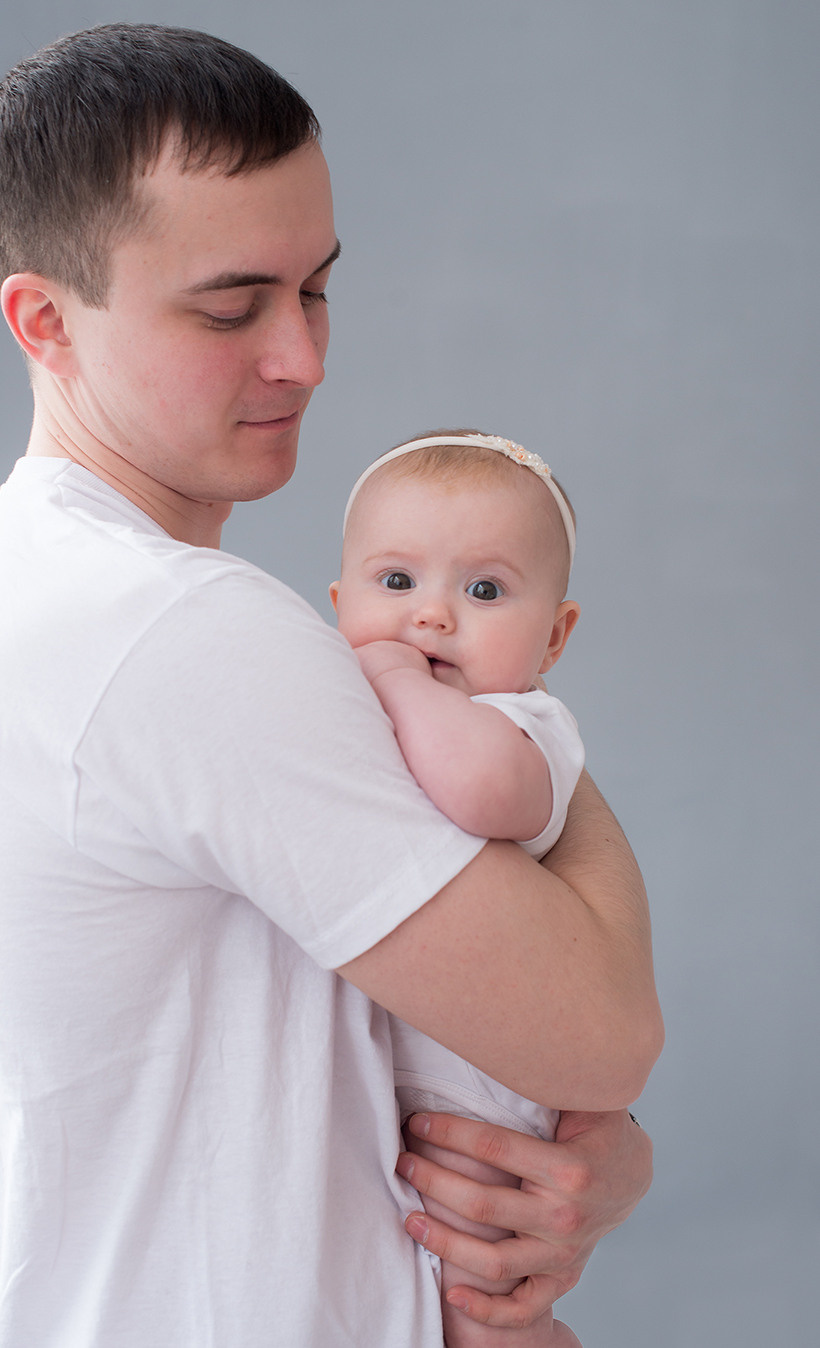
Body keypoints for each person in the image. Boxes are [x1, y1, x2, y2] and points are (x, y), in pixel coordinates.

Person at [0, 23, 662, 1348]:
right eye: (231, 306)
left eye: (316, 289)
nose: (306, 359)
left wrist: (583, 1168)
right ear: (45, 321)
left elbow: (443, 1062)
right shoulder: (167, 634)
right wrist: (535, 740)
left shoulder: (47, 597)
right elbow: (601, 1034)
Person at [331, 430, 591, 1346]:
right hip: (392, 1108)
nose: (431, 617)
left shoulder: (525, 729)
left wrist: (396, 679)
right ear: (338, 603)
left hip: (482, 1114)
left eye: (483, 591)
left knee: (487, 1313)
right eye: (395, 583)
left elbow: (476, 790)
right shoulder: (334, 706)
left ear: (553, 636)